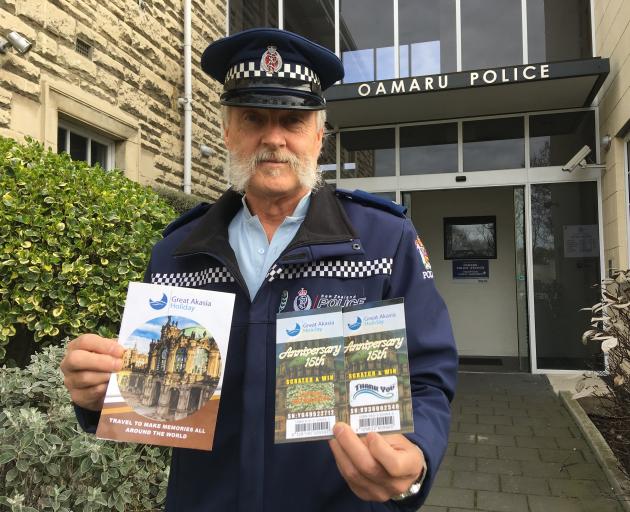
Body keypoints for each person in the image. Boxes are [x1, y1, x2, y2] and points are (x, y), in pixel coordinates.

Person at [61, 28, 457, 512]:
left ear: (319, 134)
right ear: (228, 130)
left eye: (292, 120)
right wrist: (97, 393)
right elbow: (149, 394)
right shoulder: (177, 252)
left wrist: (417, 457)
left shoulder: (383, 240)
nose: (273, 138)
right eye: (253, 118)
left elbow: (429, 376)